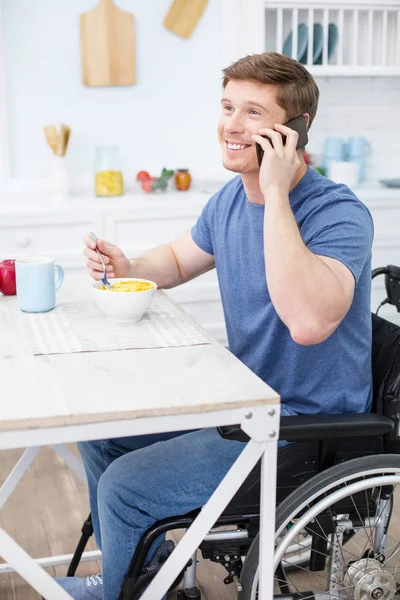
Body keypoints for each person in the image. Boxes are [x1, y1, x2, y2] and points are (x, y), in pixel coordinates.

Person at [56, 52, 374, 599]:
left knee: (124, 486)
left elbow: (308, 322)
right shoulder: (229, 200)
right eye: (228, 107)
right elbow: (179, 262)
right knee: (103, 437)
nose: (231, 124)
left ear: (295, 131)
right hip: (243, 403)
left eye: (253, 112)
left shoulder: (337, 213)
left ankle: (120, 592)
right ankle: (144, 577)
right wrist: (128, 266)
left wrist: (277, 192)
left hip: (303, 428)